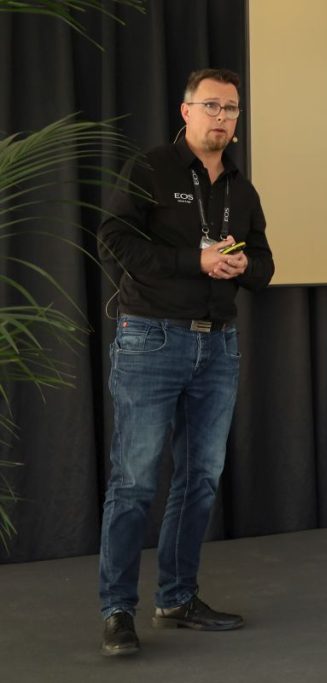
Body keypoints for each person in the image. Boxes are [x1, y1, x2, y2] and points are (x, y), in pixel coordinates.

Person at [96, 68, 274, 657]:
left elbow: (265, 265)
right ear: (186, 111)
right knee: (134, 482)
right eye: (212, 106)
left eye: (231, 109)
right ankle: (117, 611)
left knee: (200, 480)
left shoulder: (242, 190)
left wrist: (242, 266)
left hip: (218, 345)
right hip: (150, 338)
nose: (222, 117)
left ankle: (176, 598)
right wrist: (193, 261)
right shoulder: (150, 169)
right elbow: (114, 239)